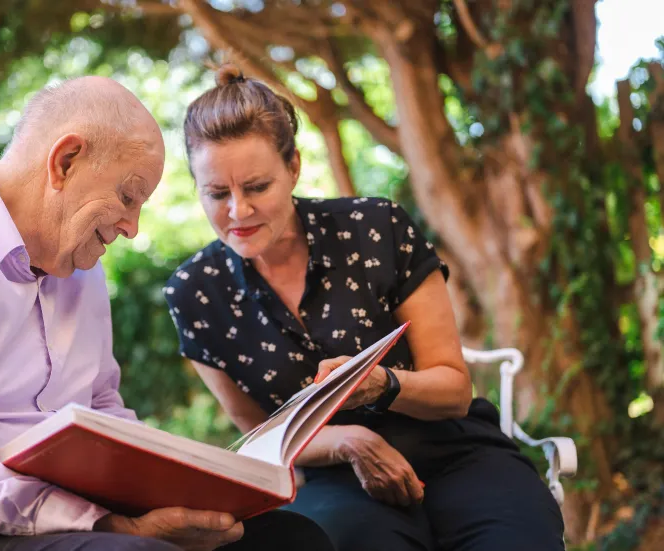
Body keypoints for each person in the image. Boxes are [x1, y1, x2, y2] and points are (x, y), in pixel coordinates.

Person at [0, 76, 335, 551]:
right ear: (65, 161)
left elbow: (103, 412)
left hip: (51, 517)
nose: (132, 227)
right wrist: (109, 523)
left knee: (290, 539)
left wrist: (178, 489)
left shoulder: (79, 267)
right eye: (127, 196)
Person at [163, 65, 566, 551]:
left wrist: (380, 384)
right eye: (217, 193)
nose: (238, 212)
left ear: (293, 167)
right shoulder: (194, 291)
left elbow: (454, 390)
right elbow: (258, 433)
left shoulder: (375, 225)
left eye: (256, 187)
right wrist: (351, 440)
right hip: (338, 481)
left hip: (458, 454)